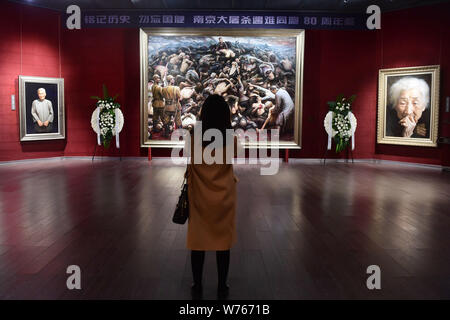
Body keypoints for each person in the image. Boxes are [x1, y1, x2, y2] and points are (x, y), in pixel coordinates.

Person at [186, 94, 239, 300]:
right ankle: (222, 284)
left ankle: (197, 284)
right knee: (223, 244)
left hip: (199, 197)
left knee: (198, 243)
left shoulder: (192, 138)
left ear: (203, 115)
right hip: (224, 198)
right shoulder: (231, 140)